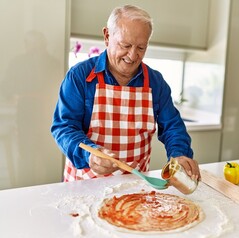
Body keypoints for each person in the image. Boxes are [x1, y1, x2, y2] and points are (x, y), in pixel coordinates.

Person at [51, 5, 200, 182]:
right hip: (84, 182)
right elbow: (64, 127)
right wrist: (89, 154)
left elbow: (173, 126)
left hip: (135, 184)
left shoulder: (155, 82)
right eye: (125, 45)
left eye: (141, 48)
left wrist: (180, 155)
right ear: (107, 36)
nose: (132, 55)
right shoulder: (80, 76)